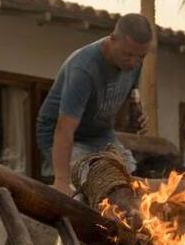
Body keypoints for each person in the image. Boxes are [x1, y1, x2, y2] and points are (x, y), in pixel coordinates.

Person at [36, 13, 153, 194]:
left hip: (100, 136)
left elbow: (124, 106)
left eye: (141, 57)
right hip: (61, 136)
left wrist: (135, 119)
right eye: (128, 55)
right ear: (113, 39)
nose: (134, 62)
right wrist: (61, 181)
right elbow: (64, 128)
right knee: (97, 179)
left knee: (130, 180)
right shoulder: (84, 69)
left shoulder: (135, 62)